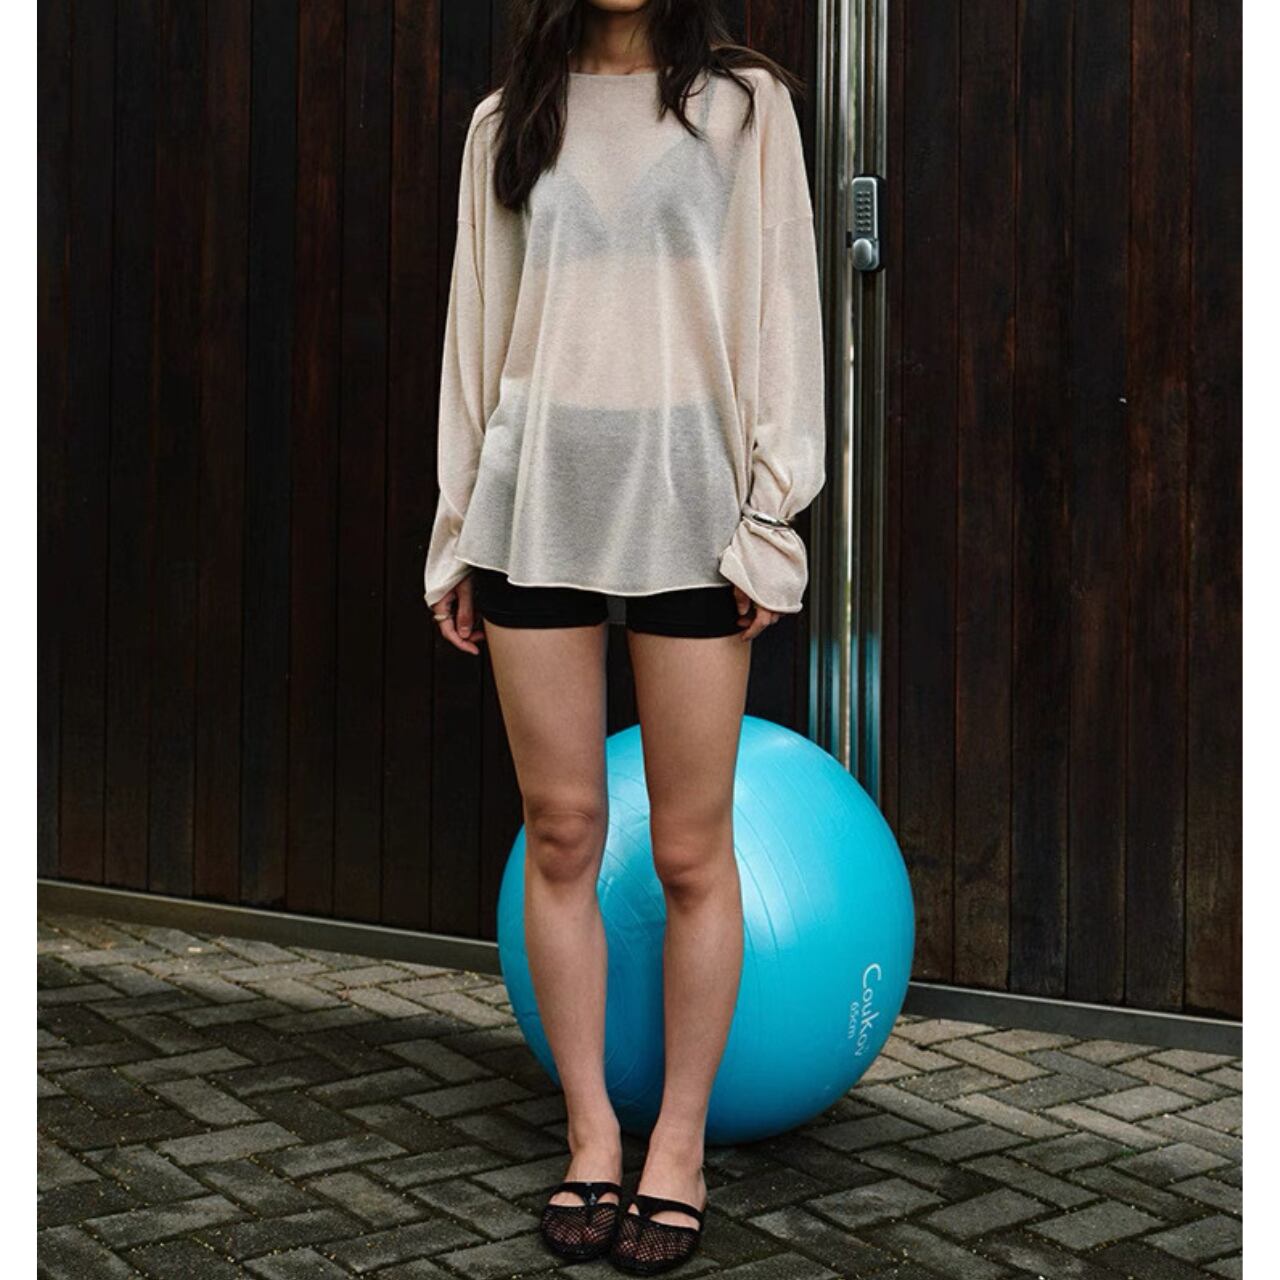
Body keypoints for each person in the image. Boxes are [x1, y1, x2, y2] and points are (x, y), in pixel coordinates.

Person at [422, 0, 826, 1272]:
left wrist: (769, 513)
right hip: (534, 503)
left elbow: (784, 308)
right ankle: (591, 1130)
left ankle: (678, 1145)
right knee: (560, 832)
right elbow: (475, 334)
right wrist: (456, 531)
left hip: (690, 509)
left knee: (693, 850)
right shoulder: (507, 121)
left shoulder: (743, 107)